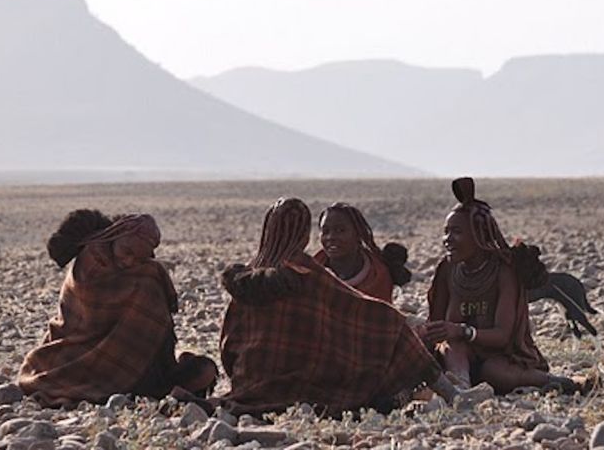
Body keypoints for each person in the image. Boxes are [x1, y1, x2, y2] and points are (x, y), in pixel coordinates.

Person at [219, 197, 457, 416]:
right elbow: (365, 309)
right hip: (305, 383)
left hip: (248, 383)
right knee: (391, 328)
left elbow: (228, 343)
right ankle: (451, 395)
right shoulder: (308, 274)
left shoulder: (243, 280)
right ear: (304, 234)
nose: (331, 238)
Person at [18, 210, 217, 407]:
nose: (129, 261)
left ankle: (148, 382)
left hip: (135, 360)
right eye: (127, 252)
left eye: (139, 258)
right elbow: (90, 312)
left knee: (203, 370)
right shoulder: (93, 260)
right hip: (79, 353)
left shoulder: (143, 272)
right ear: (116, 236)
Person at [421, 178, 582, 394]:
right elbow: (437, 327)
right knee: (450, 348)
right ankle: (461, 390)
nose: (447, 239)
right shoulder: (447, 270)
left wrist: (462, 330)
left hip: (502, 358)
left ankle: (557, 382)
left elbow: (502, 336)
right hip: (458, 358)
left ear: (479, 235)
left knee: (493, 372)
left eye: (457, 232)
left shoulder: (504, 273)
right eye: (446, 231)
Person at [313, 202, 412, 303]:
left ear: (358, 234)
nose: (331, 237)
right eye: (325, 231)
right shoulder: (311, 273)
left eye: (340, 230)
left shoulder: (377, 276)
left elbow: (381, 315)